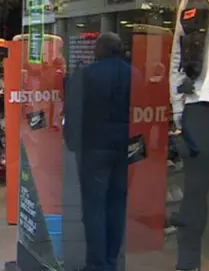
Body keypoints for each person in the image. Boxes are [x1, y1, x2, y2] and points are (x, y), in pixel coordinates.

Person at [63, 32, 132, 271]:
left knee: (94, 206)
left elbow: (73, 111)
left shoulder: (86, 75)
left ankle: (97, 263)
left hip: (93, 147)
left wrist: (72, 141)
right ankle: (111, 260)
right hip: (124, 148)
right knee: (116, 205)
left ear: (100, 50)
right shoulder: (134, 74)